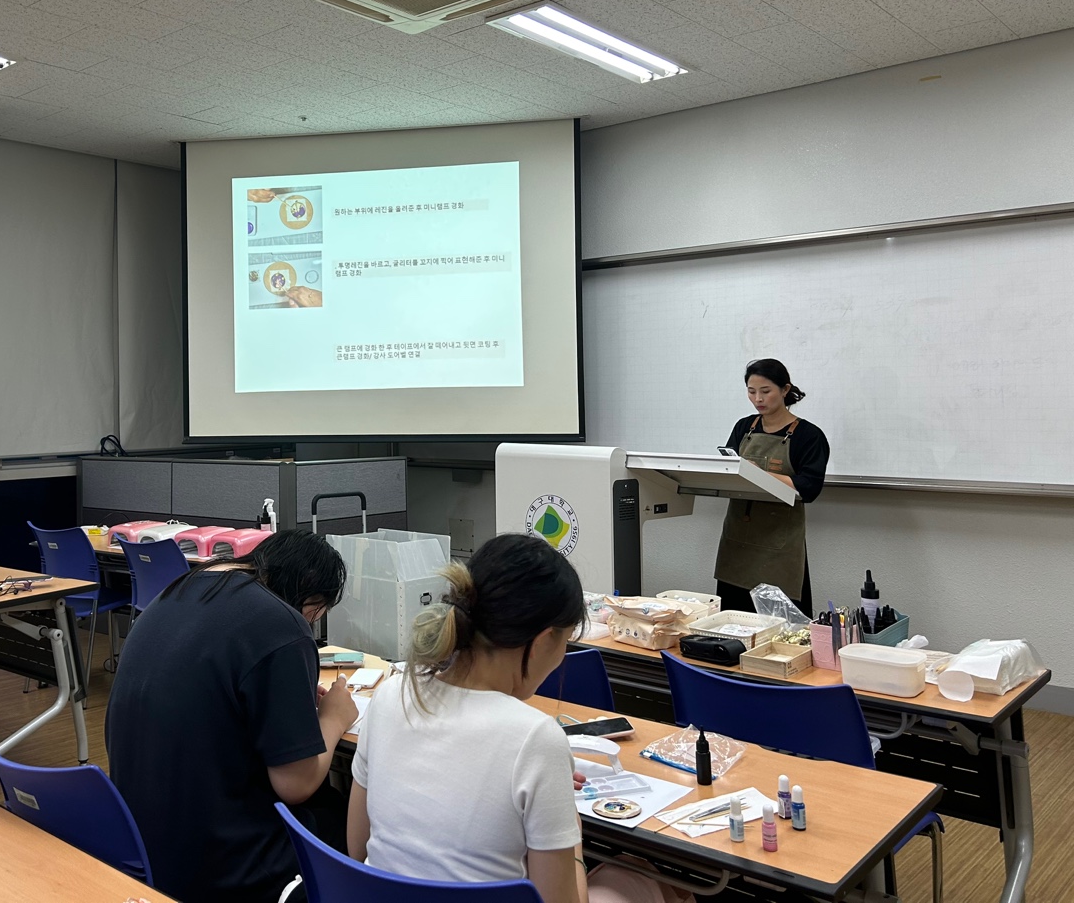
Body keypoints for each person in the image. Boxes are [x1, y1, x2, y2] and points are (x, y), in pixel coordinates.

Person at [349, 534, 688, 903]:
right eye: (566, 642)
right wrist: (570, 828)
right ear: (543, 641)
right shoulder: (535, 738)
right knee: (642, 875)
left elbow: (358, 848)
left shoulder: (392, 694)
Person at [104, 529, 357, 903]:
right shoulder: (281, 623)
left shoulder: (179, 589)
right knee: (343, 818)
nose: (311, 622)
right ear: (308, 593)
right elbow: (296, 784)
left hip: (139, 841)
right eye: (316, 612)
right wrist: (334, 717)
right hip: (219, 865)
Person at [716, 359, 830, 617]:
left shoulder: (808, 435)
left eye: (765, 391)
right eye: (751, 391)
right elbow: (729, 471)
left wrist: (758, 475)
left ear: (785, 389)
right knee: (733, 621)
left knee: (782, 626)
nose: (758, 399)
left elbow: (809, 487)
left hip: (779, 543)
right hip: (738, 538)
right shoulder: (744, 427)